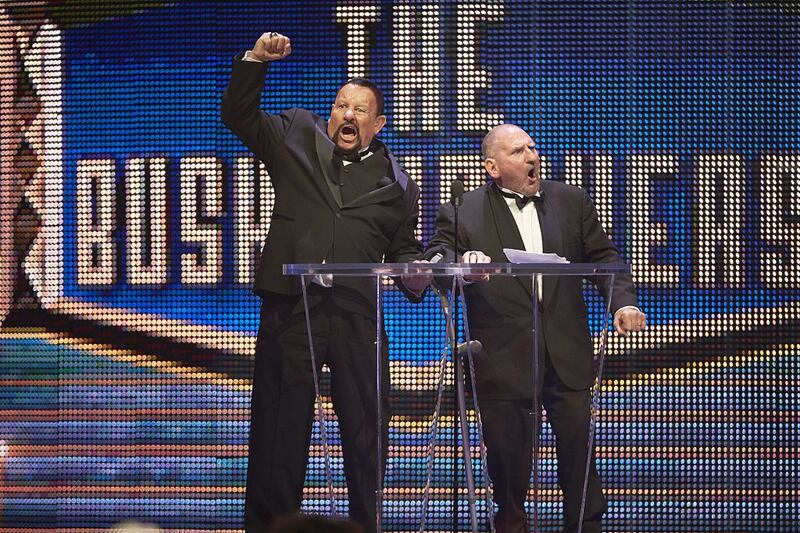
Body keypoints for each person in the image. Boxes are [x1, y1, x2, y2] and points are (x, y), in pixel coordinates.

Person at [221, 32, 428, 532]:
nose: (347, 115)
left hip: (358, 315)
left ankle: (364, 526)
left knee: (366, 432)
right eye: (341, 105)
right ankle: (270, 526)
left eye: (360, 110)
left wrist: (421, 270)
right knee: (280, 428)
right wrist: (256, 61)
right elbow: (238, 116)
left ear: (378, 124)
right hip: (293, 309)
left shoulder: (398, 183)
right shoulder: (295, 133)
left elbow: (402, 249)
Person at [425, 124, 646, 533]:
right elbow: (437, 260)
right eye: (518, 151)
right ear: (492, 167)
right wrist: (464, 266)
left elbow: (605, 258)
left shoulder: (571, 200)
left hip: (566, 352)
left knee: (578, 452)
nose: (532, 156)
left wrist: (624, 302)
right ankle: (511, 522)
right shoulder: (464, 210)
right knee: (508, 458)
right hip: (501, 355)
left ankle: (586, 525)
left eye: (532, 147)